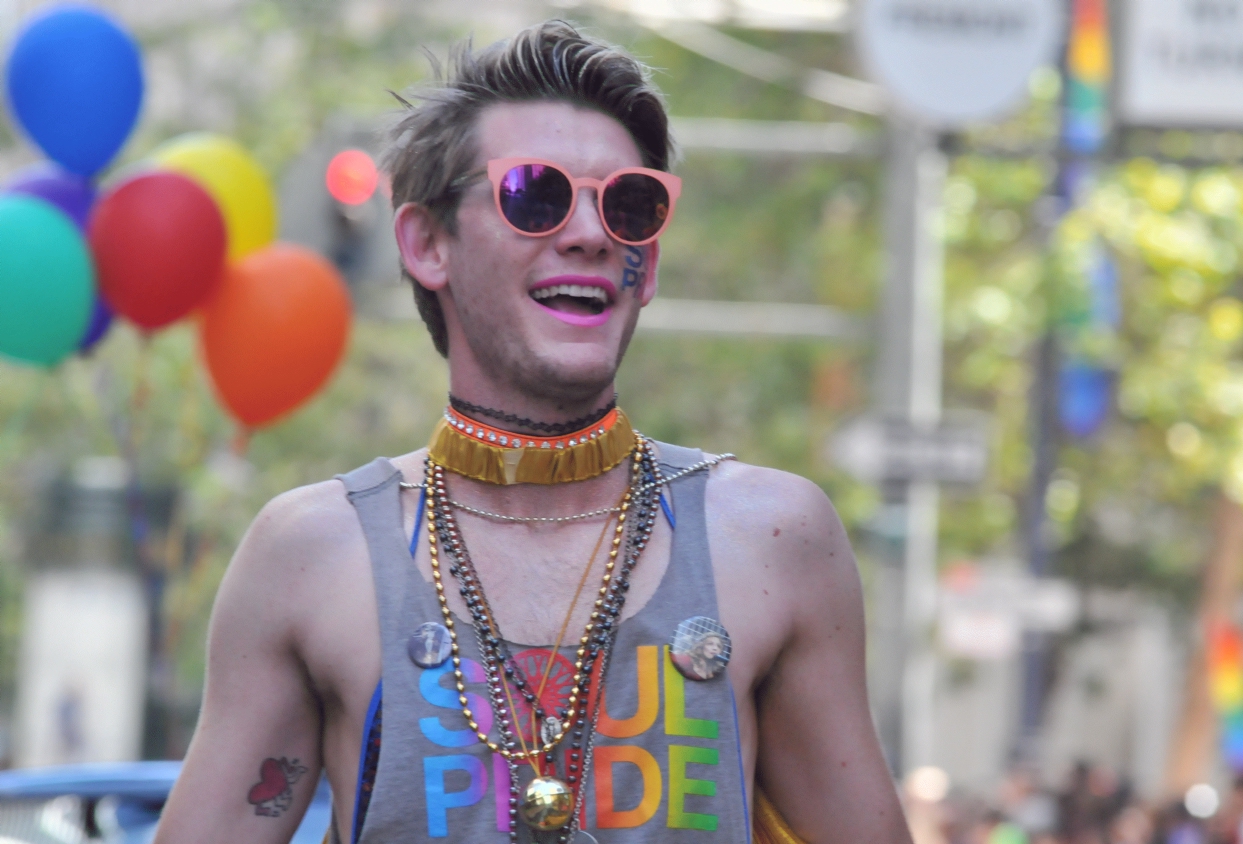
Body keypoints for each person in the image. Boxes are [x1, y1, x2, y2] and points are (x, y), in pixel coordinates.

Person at [153, 20, 910, 844]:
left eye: (629, 206)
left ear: (648, 265)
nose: (589, 234)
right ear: (426, 244)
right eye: (534, 195)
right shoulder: (309, 555)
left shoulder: (771, 539)